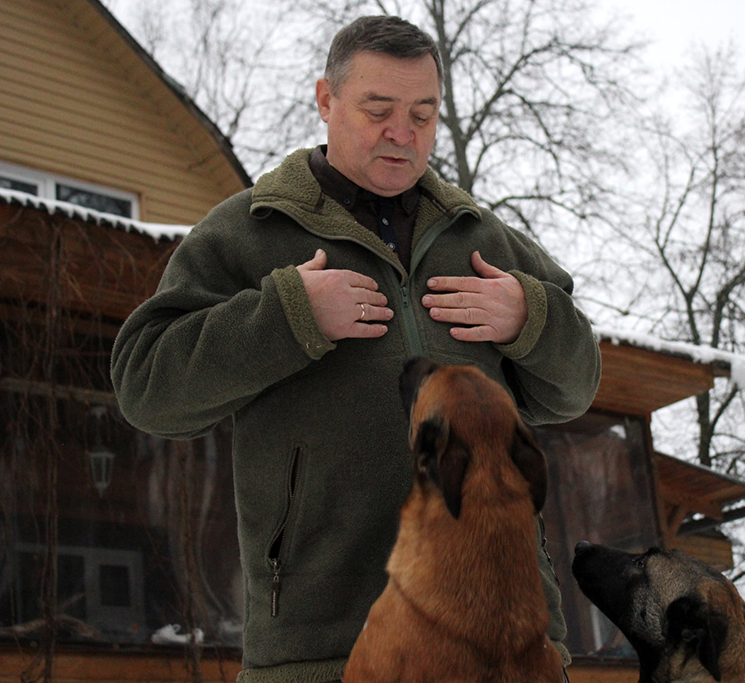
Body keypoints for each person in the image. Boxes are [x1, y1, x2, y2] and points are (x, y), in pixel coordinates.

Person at [111, 14, 600, 683]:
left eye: (424, 115)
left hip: (508, 648)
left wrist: (531, 317)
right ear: (325, 100)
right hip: (323, 652)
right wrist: (286, 317)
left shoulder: (484, 239)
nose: (404, 133)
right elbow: (146, 385)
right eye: (379, 110)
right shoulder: (247, 233)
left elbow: (575, 387)